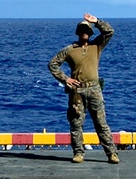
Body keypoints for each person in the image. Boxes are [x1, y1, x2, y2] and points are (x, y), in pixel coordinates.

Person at [48, 12, 119, 164]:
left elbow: (109, 32)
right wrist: (66, 78)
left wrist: (97, 21)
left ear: (90, 32)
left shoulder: (97, 45)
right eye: (82, 30)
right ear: (78, 32)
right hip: (77, 92)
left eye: (87, 30)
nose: (84, 32)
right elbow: (53, 64)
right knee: (76, 123)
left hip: (94, 89)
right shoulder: (70, 50)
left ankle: (112, 153)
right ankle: (78, 153)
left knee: (101, 123)